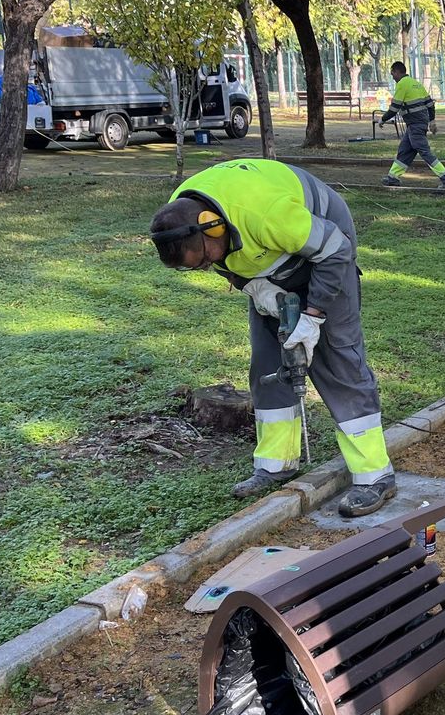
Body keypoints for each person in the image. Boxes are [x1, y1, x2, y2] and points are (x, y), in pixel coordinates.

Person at [149, 158, 398, 516]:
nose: (205, 268)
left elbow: (336, 250)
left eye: (203, 259)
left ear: (214, 228)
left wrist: (313, 318)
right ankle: (275, 465)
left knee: (339, 362)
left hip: (327, 251)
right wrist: (257, 289)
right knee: (269, 363)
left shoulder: (266, 213)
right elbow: (222, 263)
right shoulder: (180, 216)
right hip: (269, 262)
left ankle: (376, 475)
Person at [380, 61, 445, 189]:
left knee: (425, 152)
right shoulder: (416, 84)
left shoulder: (402, 84)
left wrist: (382, 119)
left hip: (415, 124)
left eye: (392, 73)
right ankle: (392, 177)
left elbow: (395, 107)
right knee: (404, 151)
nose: (392, 76)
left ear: (397, 72)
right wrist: (432, 121)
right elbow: (430, 104)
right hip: (417, 124)